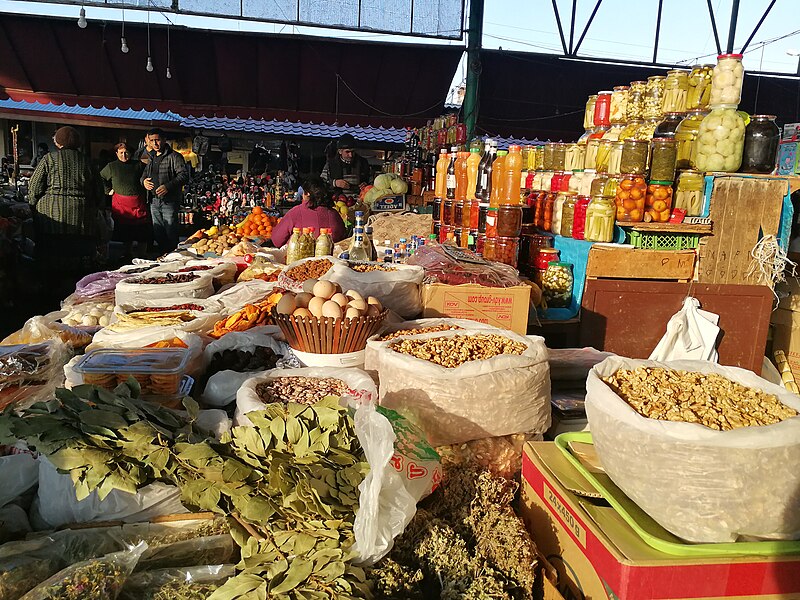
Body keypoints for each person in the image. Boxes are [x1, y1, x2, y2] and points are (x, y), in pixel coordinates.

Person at [28, 126, 100, 266]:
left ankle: (50, 281)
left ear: (58, 142)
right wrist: (94, 208)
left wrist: (33, 205)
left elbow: (34, 187)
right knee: (78, 256)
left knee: (50, 256)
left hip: (51, 217)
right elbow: (98, 191)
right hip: (82, 218)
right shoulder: (87, 161)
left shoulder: (49, 159)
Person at [141, 128, 189, 253]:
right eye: (152, 141)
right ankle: (163, 256)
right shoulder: (151, 158)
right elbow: (143, 175)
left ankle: (173, 257)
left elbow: (183, 175)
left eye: (157, 140)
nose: (155, 144)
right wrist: (144, 182)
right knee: (158, 232)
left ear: (163, 139)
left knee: (170, 231)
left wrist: (168, 186)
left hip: (169, 201)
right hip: (153, 200)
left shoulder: (174, 157)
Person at [100, 142, 149, 260]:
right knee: (125, 230)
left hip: (138, 203)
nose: (124, 155)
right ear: (116, 153)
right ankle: (127, 253)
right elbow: (100, 178)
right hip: (120, 204)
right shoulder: (111, 166)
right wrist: (108, 190)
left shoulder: (139, 165)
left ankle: (142, 255)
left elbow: (147, 177)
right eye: (121, 152)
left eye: (126, 152)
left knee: (141, 230)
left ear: (131, 153)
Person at [270, 176, 346, 247]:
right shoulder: (335, 214)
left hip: (298, 259)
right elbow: (343, 239)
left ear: (307, 194)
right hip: (329, 260)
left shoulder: (296, 212)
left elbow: (276, 240)